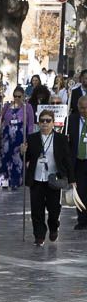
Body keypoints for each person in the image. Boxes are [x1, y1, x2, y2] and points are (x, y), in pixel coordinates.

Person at [25, 110, 75, 245]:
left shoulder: (61, 139)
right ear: (38, 123)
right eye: (42, 121)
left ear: (53, 123)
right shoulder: (32, 138)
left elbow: (67, 160)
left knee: (54, 210)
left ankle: (54, 227)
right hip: (36, 178)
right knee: (36, 210)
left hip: (53, 179)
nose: (45, 124)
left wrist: (72, 179)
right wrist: (22, 152)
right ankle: (39, 235)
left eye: (48, 121)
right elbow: (27, 157)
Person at [0, 86, 35, 190]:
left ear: (23, 96)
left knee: (17, 159)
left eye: (19, 96)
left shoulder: (28, 107)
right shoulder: (7, 106)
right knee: (5, 158)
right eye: (15, 96)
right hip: (7, 137)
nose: (17, 98)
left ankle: (15, 181)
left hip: (20, 137)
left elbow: (31, 124)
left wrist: (29, 139)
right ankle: (4, 181)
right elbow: (0, 119)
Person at [67, 95, 87, 229]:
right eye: (81, 108)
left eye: (86, 108)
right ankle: (82, 220)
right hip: (78, 161)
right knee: (80, 192)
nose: (84, 110)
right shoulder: (71, 120)